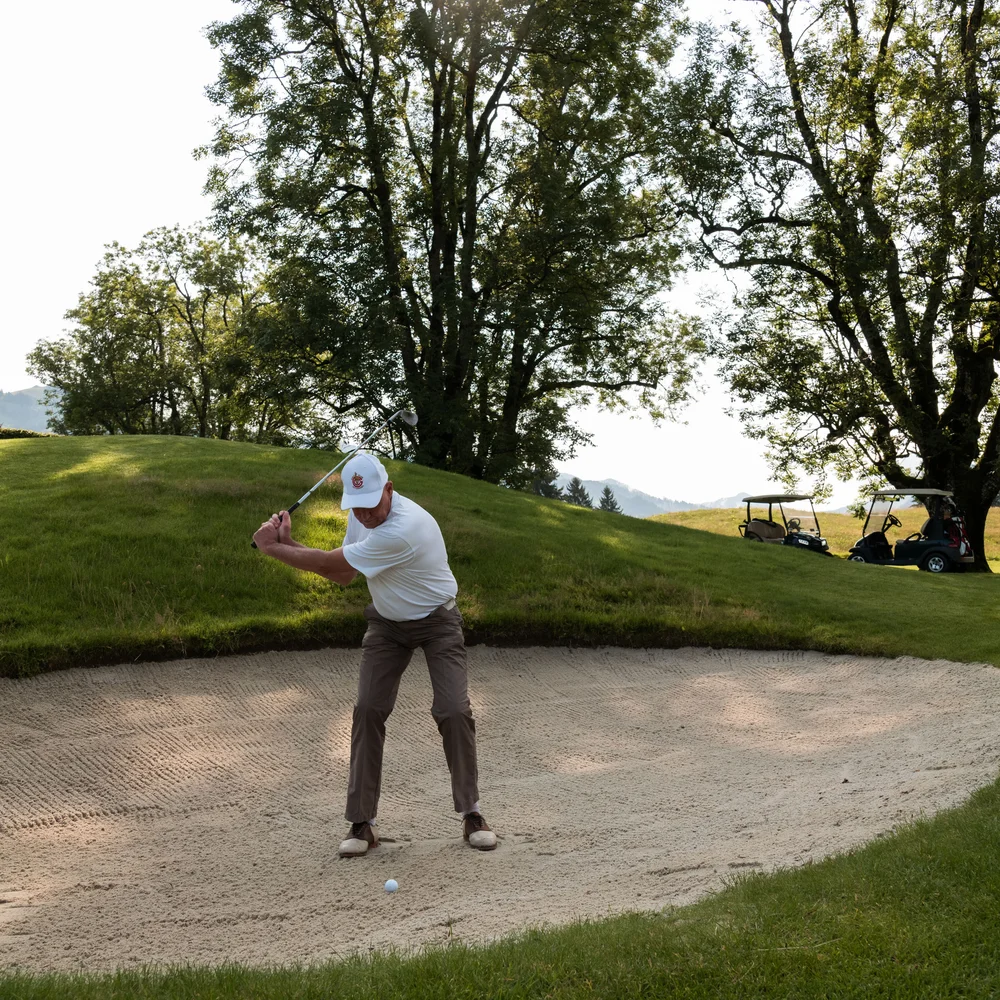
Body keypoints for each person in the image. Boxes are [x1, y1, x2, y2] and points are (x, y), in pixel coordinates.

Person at [251, 451, 497, 857]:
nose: (363, 516)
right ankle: (362, 823)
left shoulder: (405, 527)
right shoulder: (362, 514)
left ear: (389, 489)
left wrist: (271, 548)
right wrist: (288, 542)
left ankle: (472, 812)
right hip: (386, 624)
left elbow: (331, 562)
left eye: (370, 506)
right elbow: (344, 573)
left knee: (453, 709)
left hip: (438, 622)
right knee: (368, 708)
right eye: (355, 508)